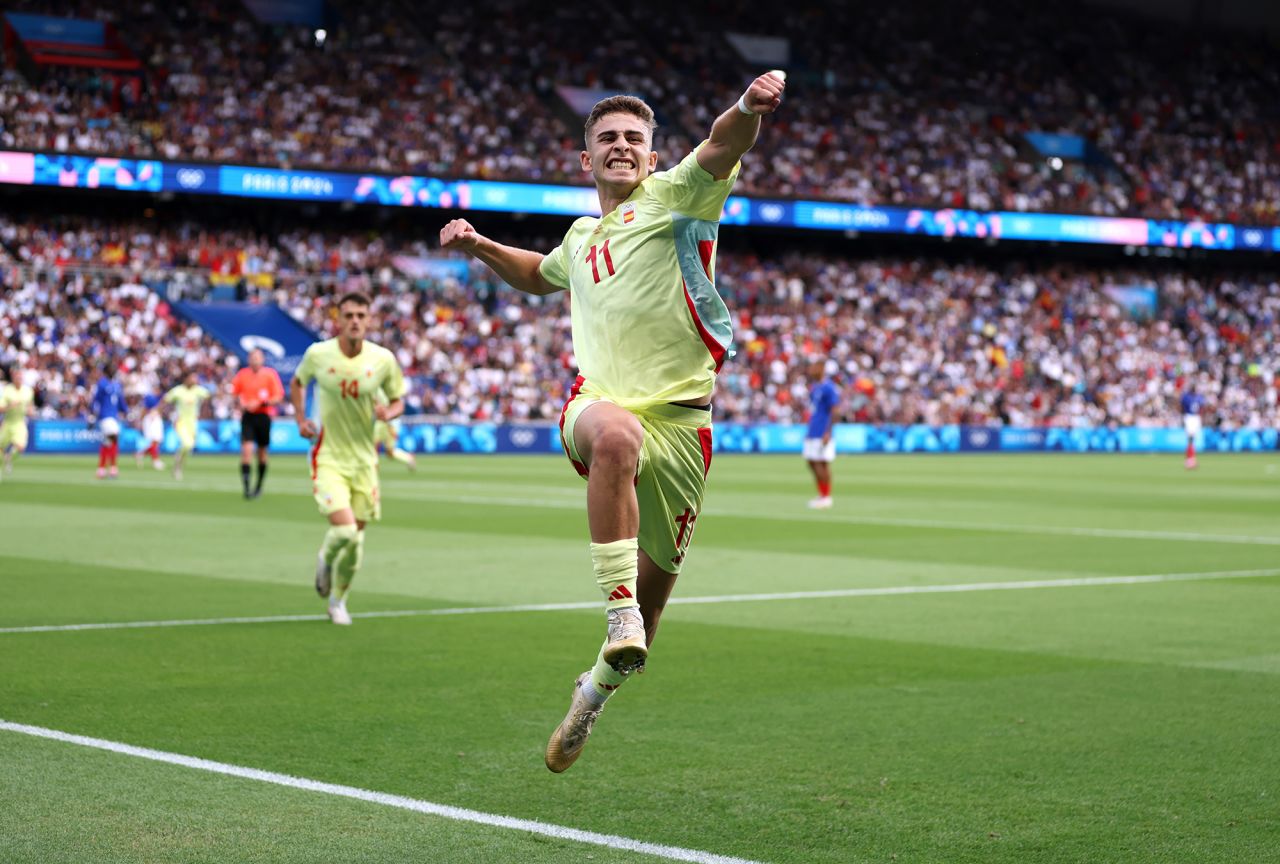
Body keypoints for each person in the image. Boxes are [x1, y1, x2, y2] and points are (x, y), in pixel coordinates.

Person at [440, 71, 785, 773]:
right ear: (586, 159)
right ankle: (616, 607)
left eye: (634, 138)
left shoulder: (677, 196)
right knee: (618, 436)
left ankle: (591, 694)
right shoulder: (579, 234)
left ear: (654, 157)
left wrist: (748, 107)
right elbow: (542, 273)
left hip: (685, 428)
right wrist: (481, 247)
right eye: (608, 139)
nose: (622, 147)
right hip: (598, 406)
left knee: (649, 633)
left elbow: (722, 145)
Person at [290, 292, 406, 626]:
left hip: (364, 462)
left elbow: (398, 400)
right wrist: (300, 419)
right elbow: (297, 383)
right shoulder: (318, 354)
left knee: (356, 542)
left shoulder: (382, 359)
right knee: (343, 532)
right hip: (328, 457)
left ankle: (338, 602)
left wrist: (389, 412)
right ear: (338, 319)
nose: (355, 321)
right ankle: (324, 559)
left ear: (369, 320)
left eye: (361, 315)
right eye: (349, 315)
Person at [230, 348, 284, 498]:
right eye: (252, 357)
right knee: (246, 452)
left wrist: (261, 403)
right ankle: (246, 488)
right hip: (248, 417)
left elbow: (278, 396)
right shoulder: (242, 374)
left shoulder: (270, 374)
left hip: (263, 416)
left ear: (262, 359)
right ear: (248, 359)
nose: (255, 360)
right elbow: (234, 393)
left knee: (262, 453)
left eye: (257, 357)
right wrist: (241, 402)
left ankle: (259, 486)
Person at [803, 359, 841, 509]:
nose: (811, 369)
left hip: (822, 431)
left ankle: (826, 497)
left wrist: (828, 432)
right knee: (812, 462)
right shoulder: (815, 387)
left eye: (814, 366)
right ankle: (822, 494)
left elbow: (835, 410)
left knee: (821, 463)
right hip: (813, 429)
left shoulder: (829, 388)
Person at [165, 371, 212, 481]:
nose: (195, 380)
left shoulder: (198, 390)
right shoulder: (178, 391)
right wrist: (158, 412)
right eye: (193, 378)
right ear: (186, 379)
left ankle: (177, 467)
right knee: (187, 444)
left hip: (193, 423)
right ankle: (177, 462)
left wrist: (205, 407)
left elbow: (209, 396)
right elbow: (166, 401)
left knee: (188, 448)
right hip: (180, 421)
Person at [91, 363, 126, 479]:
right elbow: (96, 400)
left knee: (107, 443)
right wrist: (92, 414)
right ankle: (113, 468)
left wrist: (126, 411)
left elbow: (120, 401)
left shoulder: (117, 385)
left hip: (114, 416)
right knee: (114, 435)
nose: (113, 371)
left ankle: (101, 469)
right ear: (106, 371)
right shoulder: (102, 384)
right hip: (105, 416)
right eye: (111, 369)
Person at [0, 365, 35, 479]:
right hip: (7, 422)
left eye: (20, 377)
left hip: (20, 422)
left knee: (20, 447)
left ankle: (8, 457)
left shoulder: (28, 391)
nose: (19, 379)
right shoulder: (7, 390)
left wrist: (30, 411)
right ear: (13, 377)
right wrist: (10, 406)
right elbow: (1, 408)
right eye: (17, 377)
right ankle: (2, 465)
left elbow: (30, 406)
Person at [374, 390, 416, 471]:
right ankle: (373, 468)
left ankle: (408, 458)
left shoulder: (386, 391)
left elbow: (397, 407)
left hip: (388, 423)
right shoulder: (379, 389)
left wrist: (392, 427)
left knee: (389, 452)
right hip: (382, 422)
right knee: (383, 451)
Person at [135, 393, 166, 471]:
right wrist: (141, 421)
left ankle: (141, 454)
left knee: (156, 442)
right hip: (151, 420)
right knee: (153, 441)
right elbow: (146, 409)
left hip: (154, 419)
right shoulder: (150, 398)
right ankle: (155, 460)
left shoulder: (157, 397)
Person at [1181, 384, 1205, 470]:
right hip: (1190, 417)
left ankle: (1190, 459)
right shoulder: (1190, 397)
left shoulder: (1190, 397)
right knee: (1190, 440)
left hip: (1193, 417)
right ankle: (1190, 460)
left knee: (1191, 440)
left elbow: (1202, 408)